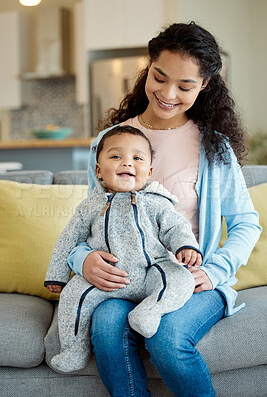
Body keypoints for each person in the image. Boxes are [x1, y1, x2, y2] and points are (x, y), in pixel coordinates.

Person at [67, 22, 261, 396]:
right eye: (159, 77)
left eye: (185, 86)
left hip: (189, 281)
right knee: (106, 327)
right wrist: (83, 259)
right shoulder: (110, 142)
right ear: (148, 66)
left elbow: (245, 222)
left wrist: (216, 270)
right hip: (125, 280)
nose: (168, 94)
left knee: (168, 340)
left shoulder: (213, 148)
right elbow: (87, 221)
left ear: (204, 86)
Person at [44, 125, 202, 373]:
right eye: (116, 156)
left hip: (152, 271)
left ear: (149, 171)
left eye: (137, 158)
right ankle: (73, 350)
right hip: (107, 279)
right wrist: (57, 274)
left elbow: (175, 227)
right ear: (98, 170)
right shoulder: (90, 206)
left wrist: (186, 246)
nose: (127, 163)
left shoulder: (156, 202)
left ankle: (150, 311)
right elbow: (68, 239)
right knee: (73, 296)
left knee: (181, 279)